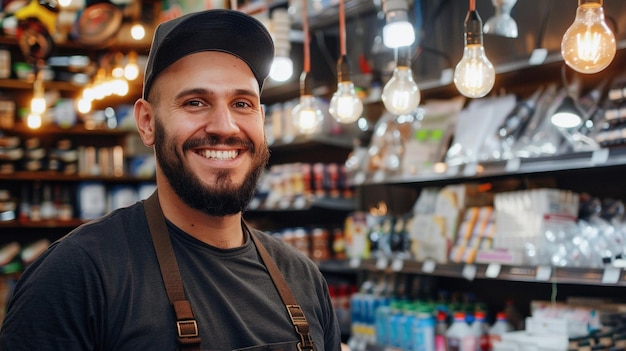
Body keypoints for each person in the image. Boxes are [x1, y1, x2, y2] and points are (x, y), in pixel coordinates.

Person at [0, 9, 342, 351]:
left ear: (262, 119)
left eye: (242, 103)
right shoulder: (75, 277)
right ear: (147, 123)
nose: (225, 126)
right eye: (195, 102)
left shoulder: (303, 277)